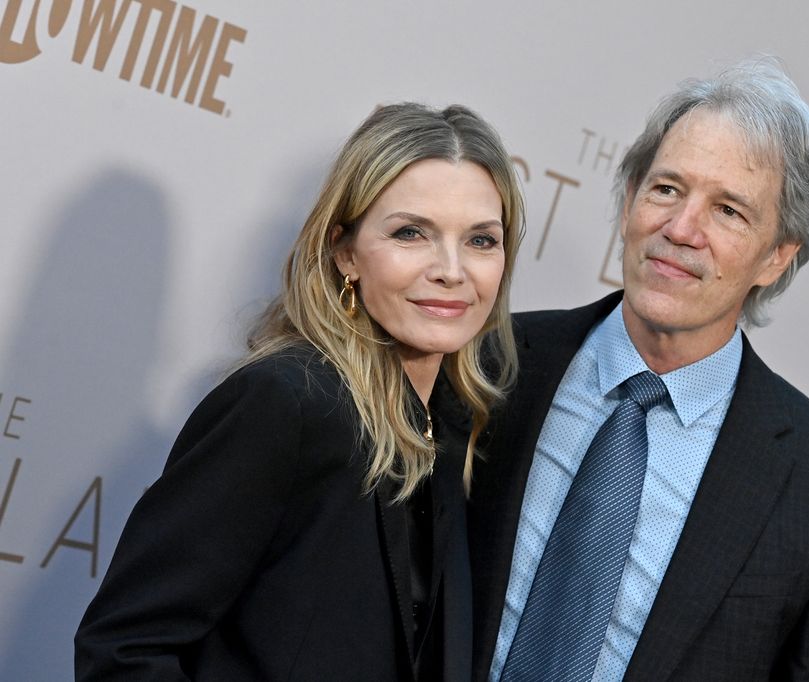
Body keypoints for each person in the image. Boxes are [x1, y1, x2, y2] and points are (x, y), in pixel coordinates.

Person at [470, 57, 809, 681]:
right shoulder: (489, 362)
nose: (682, 228)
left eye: (729, 211)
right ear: (629, 202)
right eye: (666, 189)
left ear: (776, 257)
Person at [74, 102, 525, 681]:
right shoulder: (283, 404)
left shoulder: (457, 428)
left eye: (481, 241)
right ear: (345, 253)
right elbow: (125, 648)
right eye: (412, 233)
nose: (451, 269)